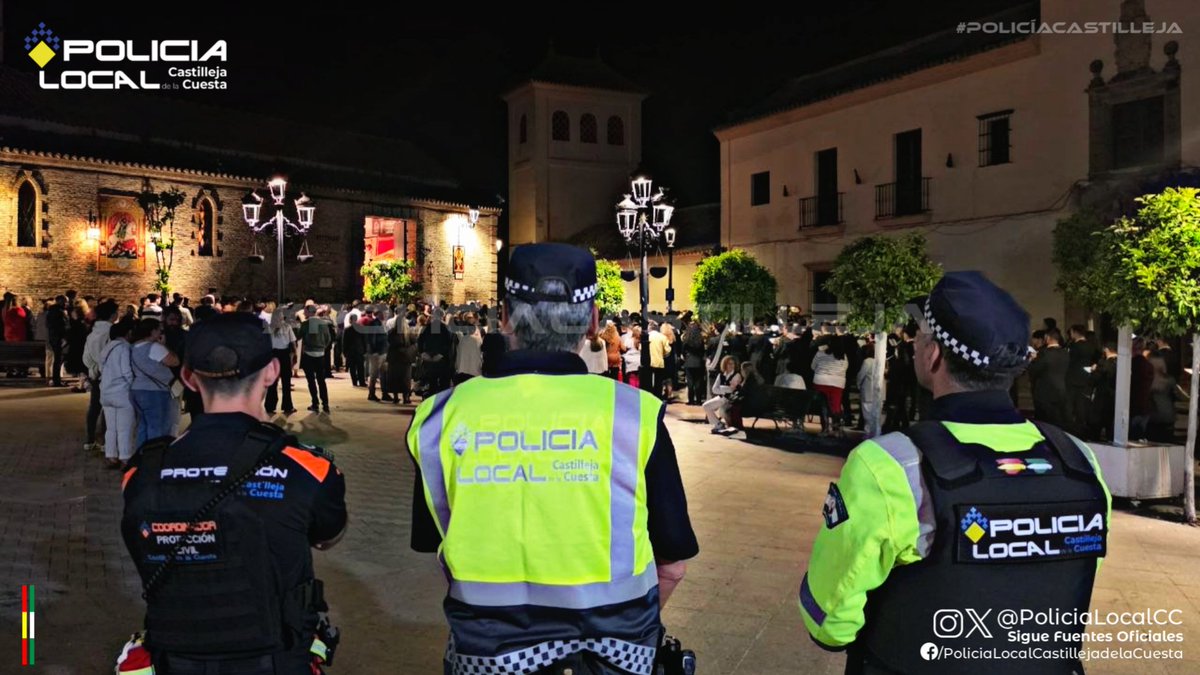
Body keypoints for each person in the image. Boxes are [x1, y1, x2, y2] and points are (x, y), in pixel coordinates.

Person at [799, 271, 1111, 675]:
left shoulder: (889, 464)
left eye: (920, 335)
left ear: (933, 356)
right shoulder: (1078, 459)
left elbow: (831, 619)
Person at [408, 244, 698, 675]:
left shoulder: (439, 418)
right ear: (594, 321)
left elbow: (439, 548)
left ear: (504, 317)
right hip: (613, 655)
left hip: (486, 655)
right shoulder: (635, 414)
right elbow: (671, 565)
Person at [120, 312, 347, 675]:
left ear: (189, 378)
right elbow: (327, 536)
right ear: (272, 372)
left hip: (175, 658)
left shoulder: (140, 473)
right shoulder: (308, 470)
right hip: (276, 659)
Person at [130, 318, 181, 448]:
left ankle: (141, 457)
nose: (161, 333)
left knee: (143, 425)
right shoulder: (155, 347)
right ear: (152, 331)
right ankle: (154, 458)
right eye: (159, 330)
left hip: (137, 389)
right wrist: (164, 345)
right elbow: (174, 361)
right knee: (157, 427)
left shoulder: (133, 347)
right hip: (155, 391)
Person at [99, 320, 136, 469]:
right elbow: (127, 371)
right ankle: (125, 458)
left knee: (111, 428)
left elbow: (101, 369)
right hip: (121, 393)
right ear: (128, 333)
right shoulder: (124, 348)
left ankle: (111, 455)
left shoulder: (107, 348)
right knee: (125, 428)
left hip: (106, 393)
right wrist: (133, 384)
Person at [83, 300, 118, 452]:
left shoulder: (92, 333)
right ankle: (105, 441)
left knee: (94, 407)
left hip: (95, 375)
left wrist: (94, 368)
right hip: (109, 375)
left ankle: (90, 439)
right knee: (108, 409)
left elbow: (86, 357)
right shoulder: (112, 332)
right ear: (113, 315)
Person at [1029, 328, 1069, 426]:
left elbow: (1035, 369)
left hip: (1045, 390)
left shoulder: (1045, 353)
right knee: (1058, 418)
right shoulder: (1065, 353)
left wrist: (1032, 360)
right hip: (1061, 389)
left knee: (1044, 420)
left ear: (1047, 338)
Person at [298, 305, 333, 413]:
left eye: (305, 312)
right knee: (321, 380)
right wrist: (322, 347)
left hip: (309, 353)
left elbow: (298, 336)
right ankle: (325, 404)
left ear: (309, 312)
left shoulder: (305, 324)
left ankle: (315, 403)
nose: (304, 314)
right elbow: (328, 339)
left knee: (311, 380)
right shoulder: (324, 323)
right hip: (321, 354)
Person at [1066, 324, 1098, 437]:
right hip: (1086, 379)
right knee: (1082, 407)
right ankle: (1082, 430)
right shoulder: (1091, 346)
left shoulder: (1074, 346)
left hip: (1072, 379)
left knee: (1071, 407)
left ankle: (1072, 431)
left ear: (1074, 332)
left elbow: (1069, 361)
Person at [266, 306, 298, 415]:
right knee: (286, 382)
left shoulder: (268, 327)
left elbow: (264, 343)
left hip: (272, 354)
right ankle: (287, 406)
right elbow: (293, 342)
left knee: (272, 382)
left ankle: (270, 406)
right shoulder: (287, 326)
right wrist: (295, 355)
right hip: (284, 355)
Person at [703, 355, 742, 434]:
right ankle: (718, 424)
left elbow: (731, 390)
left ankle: (719, 424)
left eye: (732, 364)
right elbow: (714, 389)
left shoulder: (736, 375)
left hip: (730, 399)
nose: (731, 366)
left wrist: (721, 388)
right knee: (706, 406)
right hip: (721, 397)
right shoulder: (721, 375)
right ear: (725, 365)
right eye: (729, 364)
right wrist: (724, 389)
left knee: (709, 406)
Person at [44, 295, 70, 386]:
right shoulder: (59, 312)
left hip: (53, 338)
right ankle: (57, 380)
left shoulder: (50, 311)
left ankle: (56, 379)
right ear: (60, 301)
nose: (67, 303)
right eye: (66, 301)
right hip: (58, 338)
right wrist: (64, 337)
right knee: (58, 360)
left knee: (57, 360)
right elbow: (62, 326)